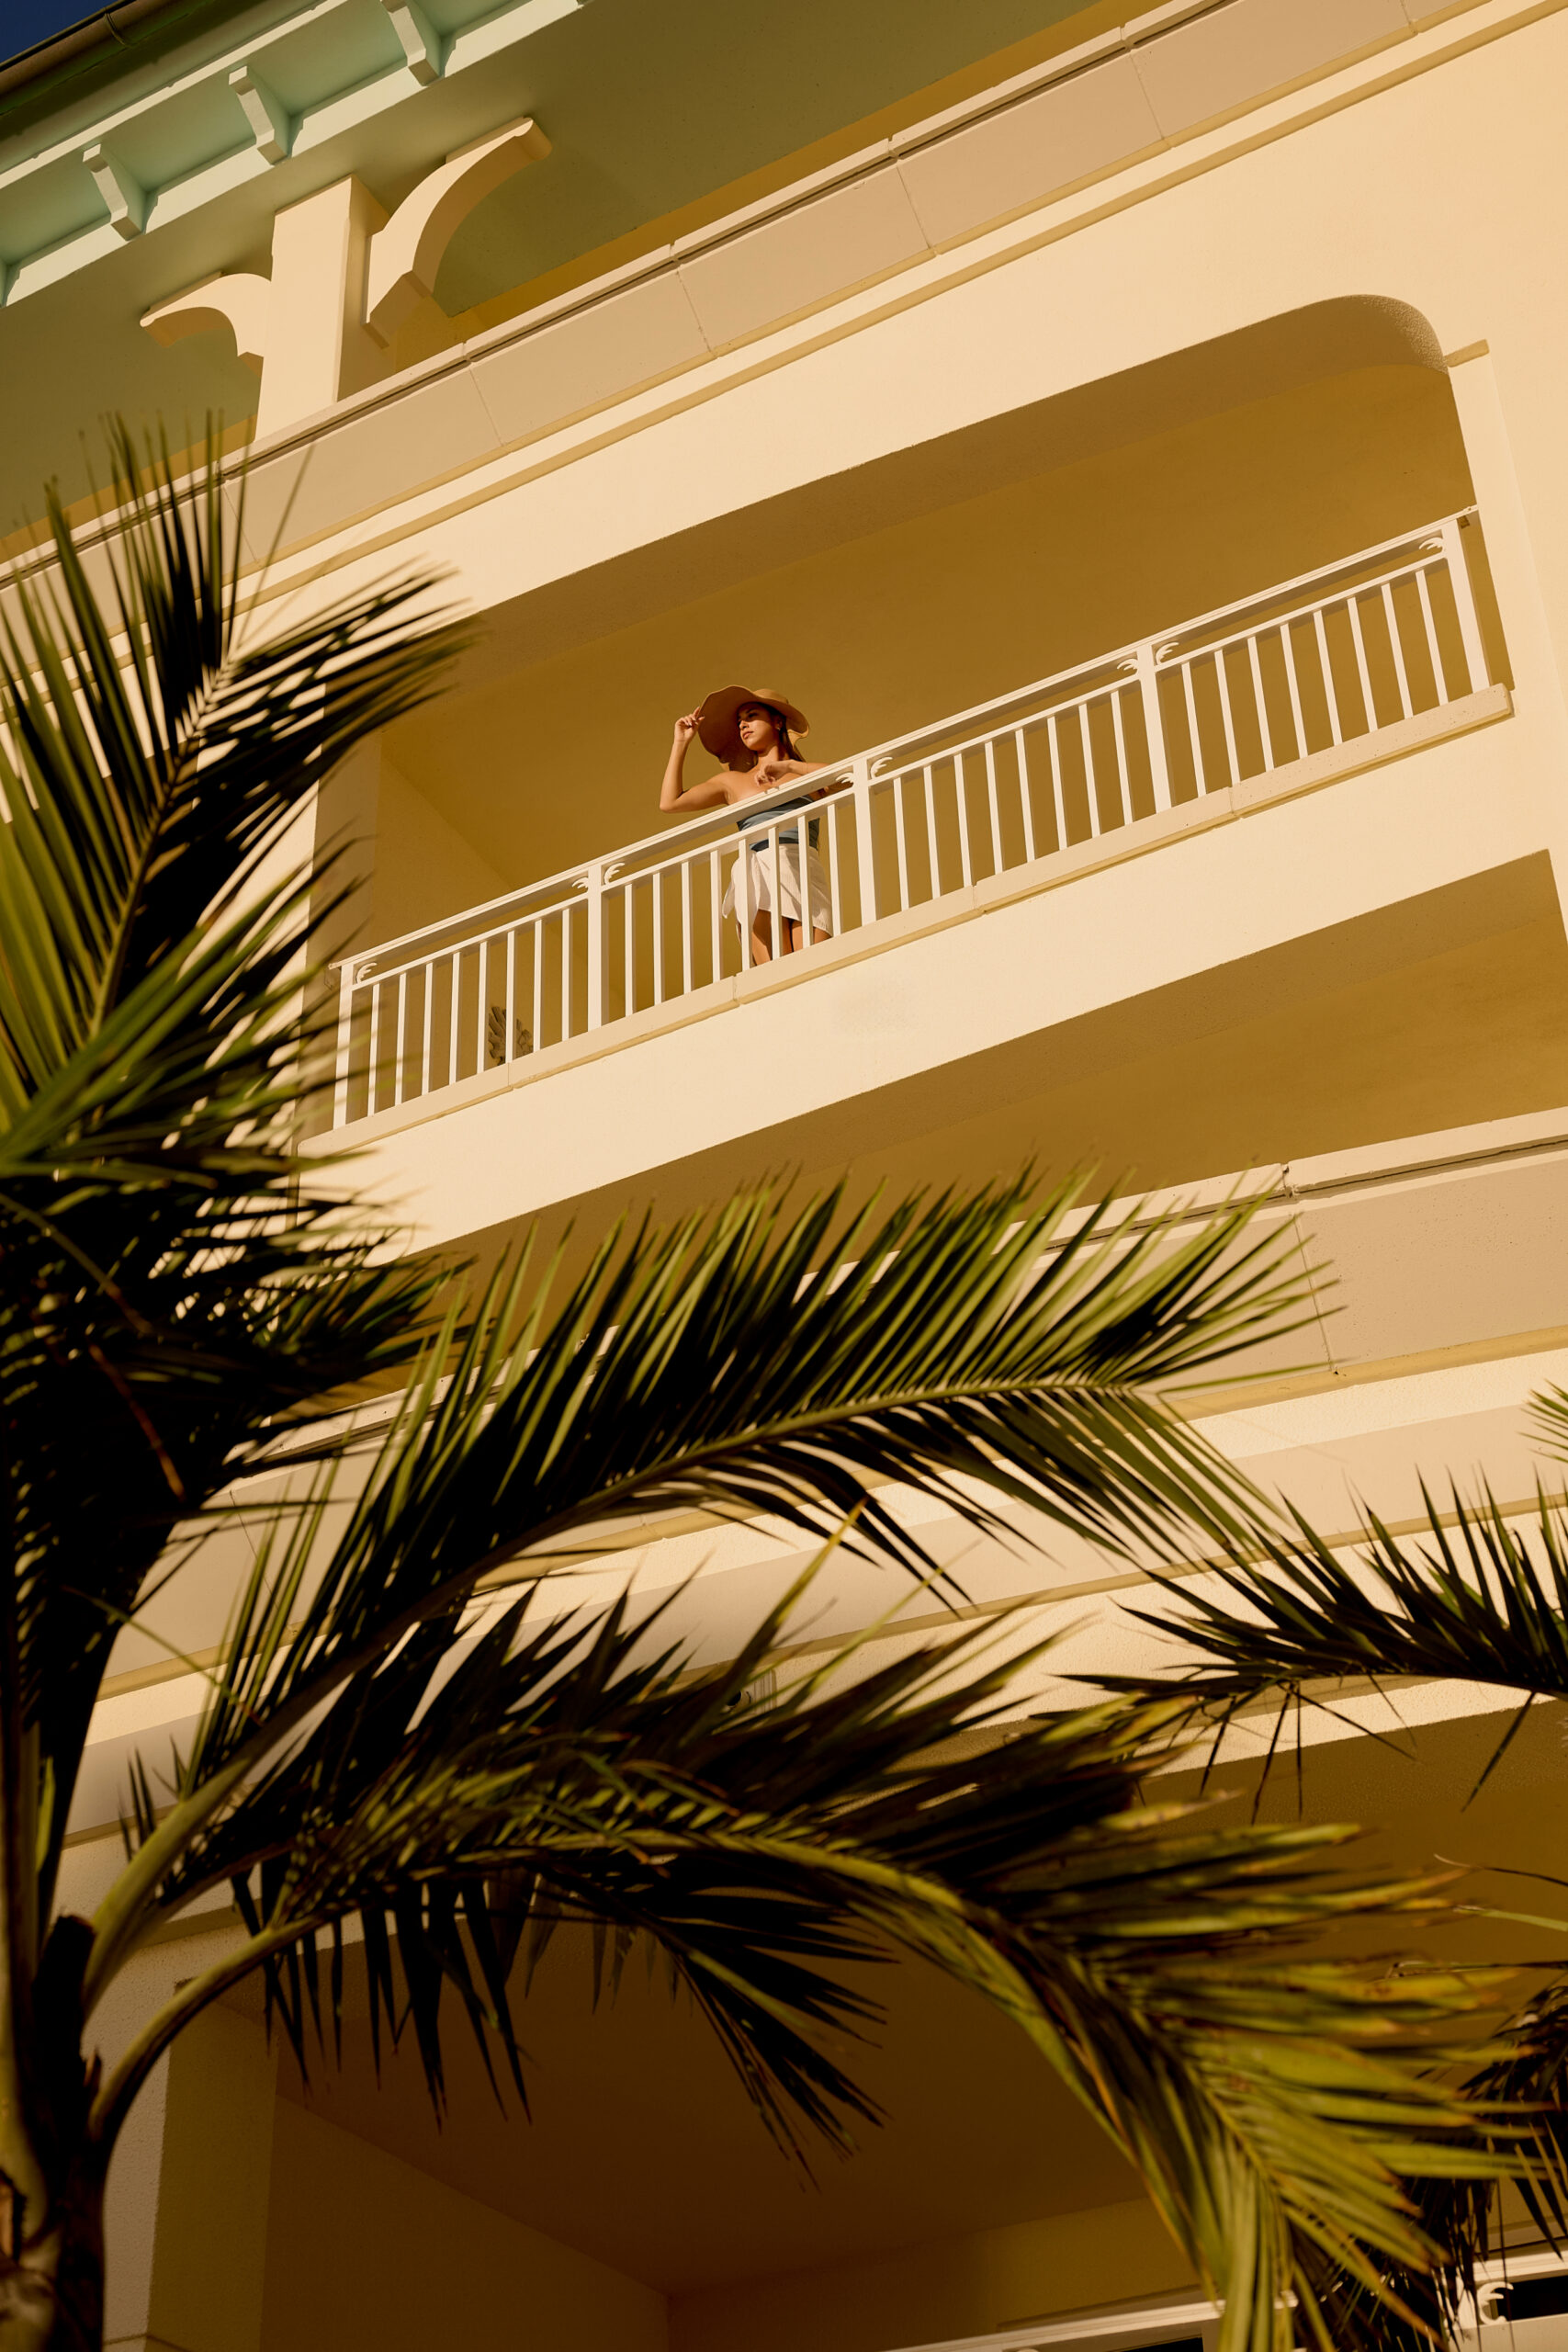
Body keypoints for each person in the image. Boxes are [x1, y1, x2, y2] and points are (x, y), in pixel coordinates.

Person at [659, 685, 832, 961]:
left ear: (777, 721)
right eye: (740, 721)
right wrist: (681, 742)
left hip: (801, 866)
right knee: (774, 974)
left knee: (813, 964)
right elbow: (669, 802)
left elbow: (847, 776)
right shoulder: (733, 782)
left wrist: (789, 767)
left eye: (751, 715)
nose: (743, 725)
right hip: (757, 871)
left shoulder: (804, 775)